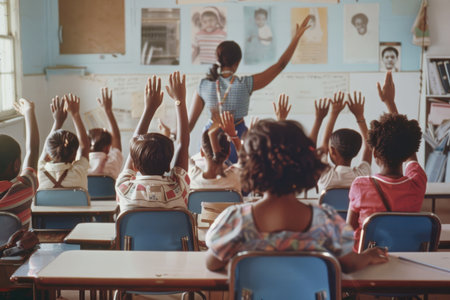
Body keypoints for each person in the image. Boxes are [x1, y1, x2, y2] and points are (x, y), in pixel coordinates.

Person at [205, 119, 389, 273]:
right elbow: (350, 264)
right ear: (306, 164)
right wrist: (368, 255)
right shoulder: (326, 222)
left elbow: (212, 263)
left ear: (250, 167)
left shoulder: (236, 221)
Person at [189, 15, 312, 163]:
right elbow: (280, 65)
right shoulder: (245, 84)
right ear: (237, 62)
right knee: (241, 180)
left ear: (218, 59)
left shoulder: (204, 85)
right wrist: (296, 38)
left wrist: (170, 136)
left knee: (212, 180)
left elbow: (188, 126)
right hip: (238, 137)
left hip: (209, 138)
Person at [347, 72, 426, 251]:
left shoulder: (360, 185)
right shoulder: (417, 182)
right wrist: (390, 103)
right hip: (408, 259)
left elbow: (348, 232)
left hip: (368, 261)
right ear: (408, 153)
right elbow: (409, 148)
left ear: (374, 153)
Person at [115, 72, 190, 212]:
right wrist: (179, 100)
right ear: (169, 166)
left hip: (133, 235)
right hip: (172, 235)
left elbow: (134, 145)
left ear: (135, 166)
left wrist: (149, 109)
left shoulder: (124, 188)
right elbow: (183, 145)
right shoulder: (178, 189)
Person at [313, 91, 372, 193]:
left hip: (328, 210)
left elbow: (324, 144)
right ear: (357, 152)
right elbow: (369, 147)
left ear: (332, 150)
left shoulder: (326, 178)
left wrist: (333, 113)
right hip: (353, 210)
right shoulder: (362, 176)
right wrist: (360, 116)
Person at [0, 98, 39, 228]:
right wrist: (29, 112)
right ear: (16, 164)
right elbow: (32, 151)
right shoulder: (23, 189)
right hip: (17, 249)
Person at [38, 94, 90, 190]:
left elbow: (46, 148)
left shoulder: (41, 170)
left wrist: (57, 121)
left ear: (48, 155)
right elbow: (85, 147)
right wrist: (75, 114)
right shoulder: (79, 171)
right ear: (75, 156)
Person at [189, 111, 241, 192]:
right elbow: (245, 161)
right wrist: (233, 135)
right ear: (229, 153)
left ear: (201, 152)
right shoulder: (235, 178)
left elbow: (186, 156)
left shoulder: (192, 177)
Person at [87, 87, 123, 179]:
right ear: (107, 148)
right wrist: (108, 110)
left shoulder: (81, 166)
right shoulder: (112, 163)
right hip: (109, 194)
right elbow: (117, 138)